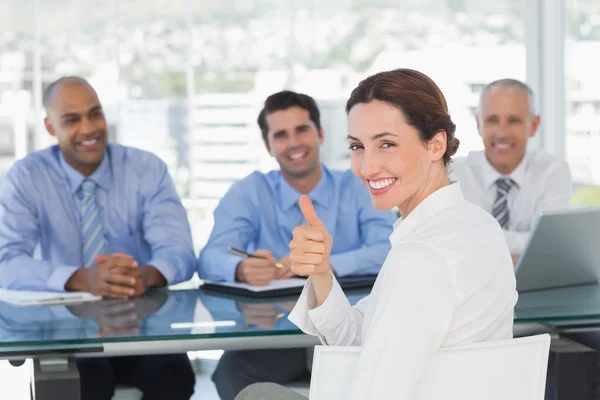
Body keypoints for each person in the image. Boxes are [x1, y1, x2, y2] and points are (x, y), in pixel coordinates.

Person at [235, 69, 518, 400]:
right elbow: (359, 338)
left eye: (387, 144)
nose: (367, 167)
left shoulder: (422, 257)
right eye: (357, 146)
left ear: (436, 145)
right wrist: (321, 271)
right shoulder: (477, 224)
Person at [0, 76, 196, 400]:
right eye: (72, 120)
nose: (89, 128)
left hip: (141, 325)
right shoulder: (27, 177)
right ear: (50, 127)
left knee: (174, 377)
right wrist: (81, 278)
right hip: (66, 331)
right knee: (84, 383)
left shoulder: (147, 169)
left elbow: (181, 252)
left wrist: (144, 275)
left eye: (95, 114)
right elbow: (6, 261)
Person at [198, 90, 395, 400]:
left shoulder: (356, 185)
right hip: (278, 341)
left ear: (320, 133)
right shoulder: (250, 190)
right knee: (230, 372)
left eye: (302, 129)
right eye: (281, 135)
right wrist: (241, 268)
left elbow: (388, 248)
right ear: (268, 145)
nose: (293, 143)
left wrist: (322, 265)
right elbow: (209, 256)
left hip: (353, 334)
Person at [450, 79, 572, 264]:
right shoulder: (454, 174)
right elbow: (451, 241)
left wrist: (479, 244)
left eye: (514, 121)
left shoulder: (552, 171)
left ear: (533, 125)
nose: (502, 133)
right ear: (478, 124)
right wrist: (525, 251)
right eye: (492, 120)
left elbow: (551, 245)